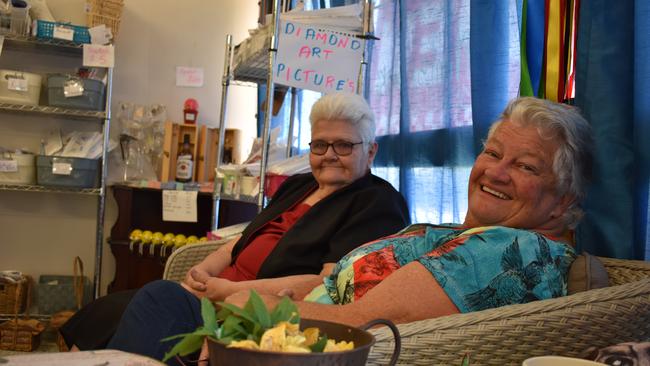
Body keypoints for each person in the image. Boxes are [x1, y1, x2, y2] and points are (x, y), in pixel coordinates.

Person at [106, 96, 593, 363]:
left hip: (299, 351)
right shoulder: (451, 233)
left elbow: (361, 324)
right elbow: (328, 281)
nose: (496, 171)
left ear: (564, 200)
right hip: (284, 330)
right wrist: (228, 294)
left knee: (155, 303)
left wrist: (246, 309)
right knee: (154, 301)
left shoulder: (504, 250)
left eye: (526, 166)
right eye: (491, 153)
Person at [60, 92, 410, 354]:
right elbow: (243, 239)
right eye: (320, 144)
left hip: (260, 314)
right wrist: (203, 271)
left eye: (344, 145)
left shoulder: (377, 203)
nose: (329, 154)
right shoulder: (298, 184)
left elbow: (329, 282)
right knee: (107, 309)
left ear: (372, 151)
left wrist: (229, 292)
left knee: (155, 299)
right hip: (216, 295)